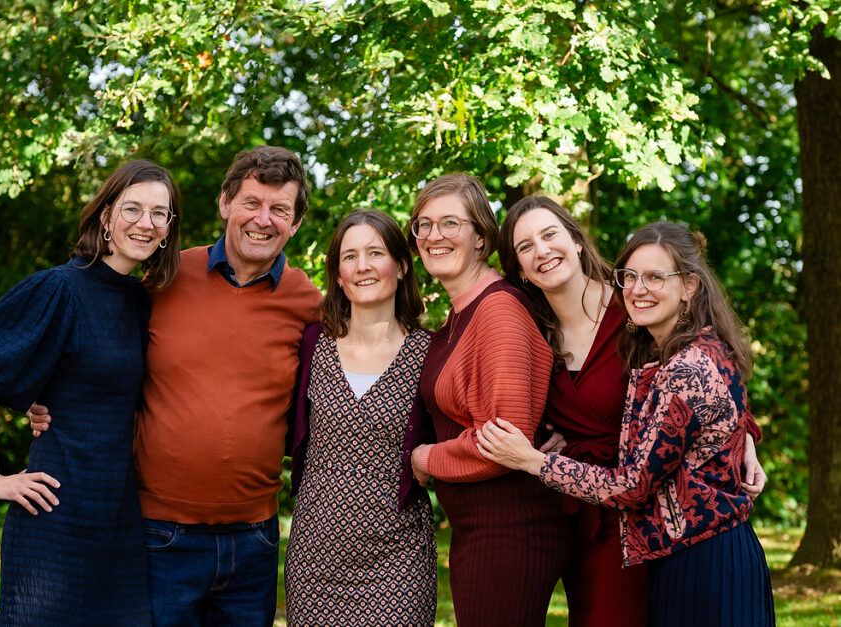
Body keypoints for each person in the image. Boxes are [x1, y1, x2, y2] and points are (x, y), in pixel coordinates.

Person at [30, 146, 322, 626]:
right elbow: (100, 344)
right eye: (251, 202)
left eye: (279, 209)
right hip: (159, 535)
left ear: (295, 223)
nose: (263, 219)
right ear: (226, 203)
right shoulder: (165, 276)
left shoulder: (307, 300)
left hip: (255, 540)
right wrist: (48, 397)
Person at [478, 221, 776, 627]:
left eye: (655, 277)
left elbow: (634, 485)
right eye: (630, 277)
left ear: (689, 286)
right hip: (685, 550)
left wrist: (532, 461)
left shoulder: (684, 366)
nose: (638, 289)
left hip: (705, 559)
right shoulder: (686, 348)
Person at [0, 159, 181, 626]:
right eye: (132, 208)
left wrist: (42, 395)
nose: (145, 223)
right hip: (54, 515)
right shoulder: (60, 287)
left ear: (169, 230)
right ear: (106, 217)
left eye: (159, 213)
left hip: (119, 520)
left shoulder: (137, 300)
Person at [407, 174, 570, 626]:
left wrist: (425, 458)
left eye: (450, 223)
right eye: (423, 224)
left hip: (509, 530)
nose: (434, 235)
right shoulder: (459, 315)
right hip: (481, 530)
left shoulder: (497, 311)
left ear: (481, 237)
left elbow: (503, 440)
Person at [285, 210, 437, 626]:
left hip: (399, 560)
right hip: (315, 559)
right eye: (349, 257)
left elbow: (470, 421)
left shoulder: (432, 352)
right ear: (336, 273)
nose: (363, 266)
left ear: (402, 266)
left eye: (376, 253)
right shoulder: (312, 344)